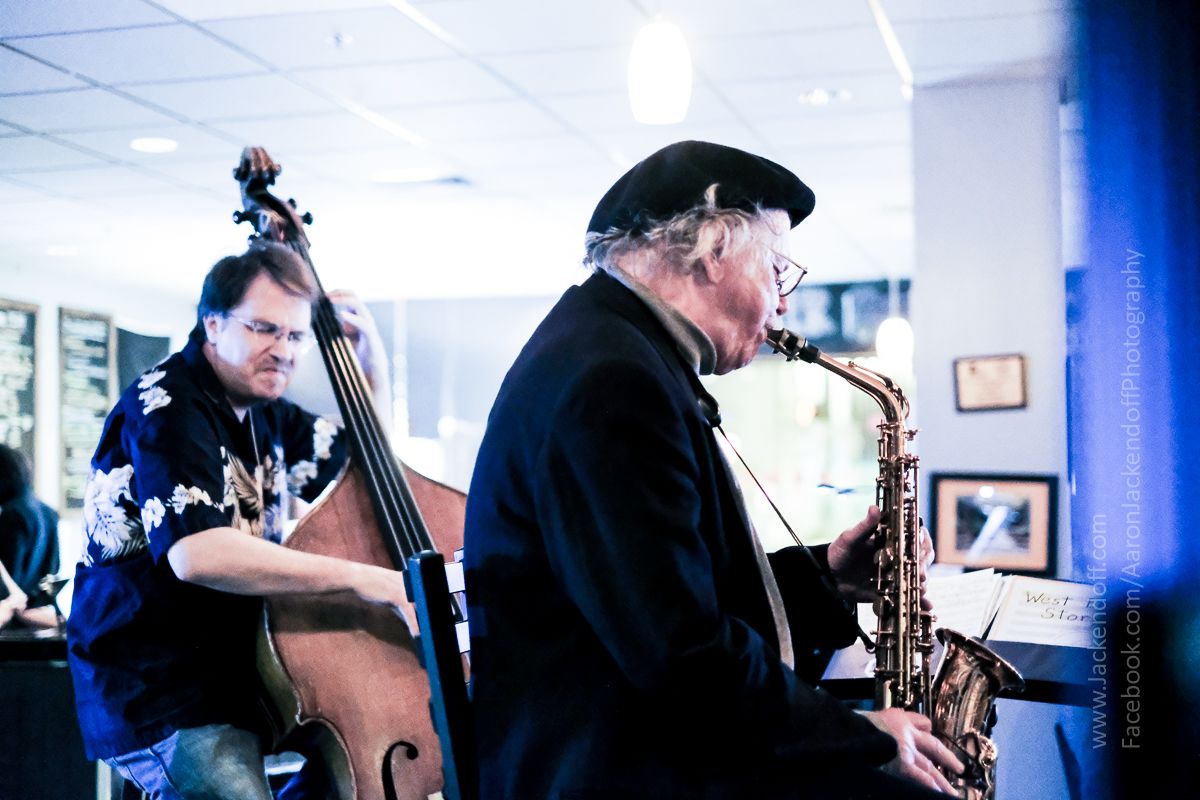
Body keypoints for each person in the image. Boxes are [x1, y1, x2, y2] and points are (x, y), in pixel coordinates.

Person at [464, 140, 963, 799]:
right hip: (619, 775)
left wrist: (830, 576)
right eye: (778, 272)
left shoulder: (613, 352)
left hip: (631, 753)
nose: (783, 305)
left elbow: (680, 600)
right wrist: (863, 737)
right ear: (713, 252)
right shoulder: (612, 382)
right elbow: (681, 656)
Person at [66, 241, 413, 800]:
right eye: (264, 329)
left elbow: (368, 469)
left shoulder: (264, 410)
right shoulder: (169, 406)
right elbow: (198, 554)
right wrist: (366, 579)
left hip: (238, 680)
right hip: (160, 689)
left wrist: (371, 358)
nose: (284, 351)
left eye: (296, 336)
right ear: (213, 323)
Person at [0, 443, 61, 630]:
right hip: (39, 616)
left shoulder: (12, 514)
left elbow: (9, 577)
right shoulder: (48, 512)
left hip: (14, 618)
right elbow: (53, 569)